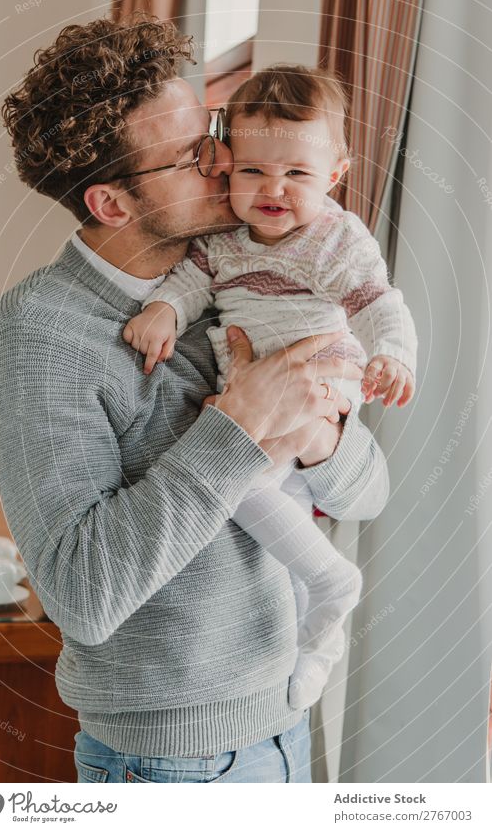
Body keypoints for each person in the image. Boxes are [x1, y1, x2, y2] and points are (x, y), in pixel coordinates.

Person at [0, 14, 389, 783]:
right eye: (195, 156)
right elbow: (83, 597)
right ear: (112, 205)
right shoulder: (35, 339)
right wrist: (239, 426)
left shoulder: (237, 282)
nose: (228, 161)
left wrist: (321, 438)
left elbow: (367, 493)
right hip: (173, 761)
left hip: (282, 727)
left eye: (215, 135)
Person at [123, 65, 417, 711]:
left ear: (334, 175)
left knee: (239, 483)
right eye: (253, 171)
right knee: (263, 519)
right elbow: (191, 283)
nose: (273, 189)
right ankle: (312, 635)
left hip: (322, 375)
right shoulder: (222, 242)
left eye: (297, 174)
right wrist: (165, 312)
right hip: (255, 389)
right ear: (227, 168)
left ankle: (333, 583)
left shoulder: (333, 238)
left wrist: (392, 353)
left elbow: (376, 303)